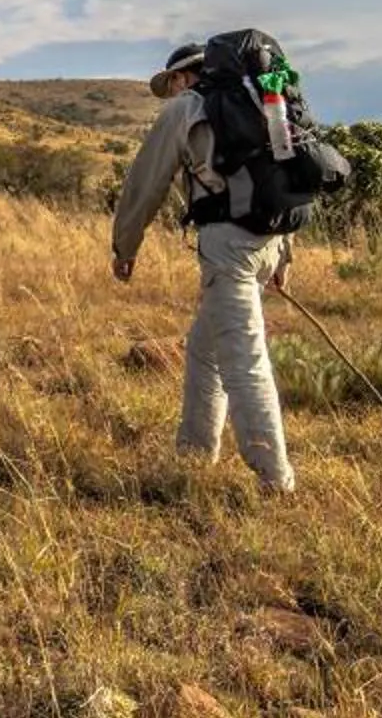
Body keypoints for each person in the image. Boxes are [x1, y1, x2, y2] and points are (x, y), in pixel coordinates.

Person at [111, 41, 294, 494]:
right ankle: (194, 454)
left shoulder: (188, 109)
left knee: (245, 363)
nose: (170, 92)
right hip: (267, 240)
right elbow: (281, 175)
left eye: (170, 83)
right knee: (203, 352)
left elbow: (145, 181)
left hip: (228, 248)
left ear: (181, 77)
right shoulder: (259, 102)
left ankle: (277, 484)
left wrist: (124, 245)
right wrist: (284, 254)